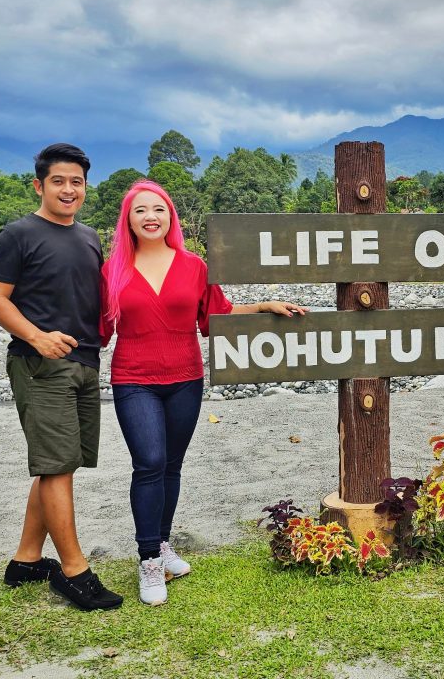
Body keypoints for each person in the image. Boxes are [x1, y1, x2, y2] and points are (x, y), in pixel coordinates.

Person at [101, 180, 307, 606]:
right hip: (133, 378)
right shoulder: (113, 269)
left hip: (185, 378)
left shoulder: (194, 265)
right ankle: (148, 562)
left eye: (158, 209)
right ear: (129, 220)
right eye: (140, 210)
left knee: (171, 465)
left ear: (170, 216)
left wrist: (266, 307)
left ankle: (161, 543)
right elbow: (98, 329)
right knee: (150, 462)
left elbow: (216, 319)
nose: (150, 217)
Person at [0, 143, 123, 611]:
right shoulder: (18, 234)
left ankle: (25, 560)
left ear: (86, 187)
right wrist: (37, 337)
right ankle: (74, 572)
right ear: (39, 185)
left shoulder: (88, 237)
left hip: (84, 361)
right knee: (56, 465)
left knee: (59, 463)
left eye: (76, 182)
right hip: (39, 363)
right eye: (59, 181)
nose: (68, 189)